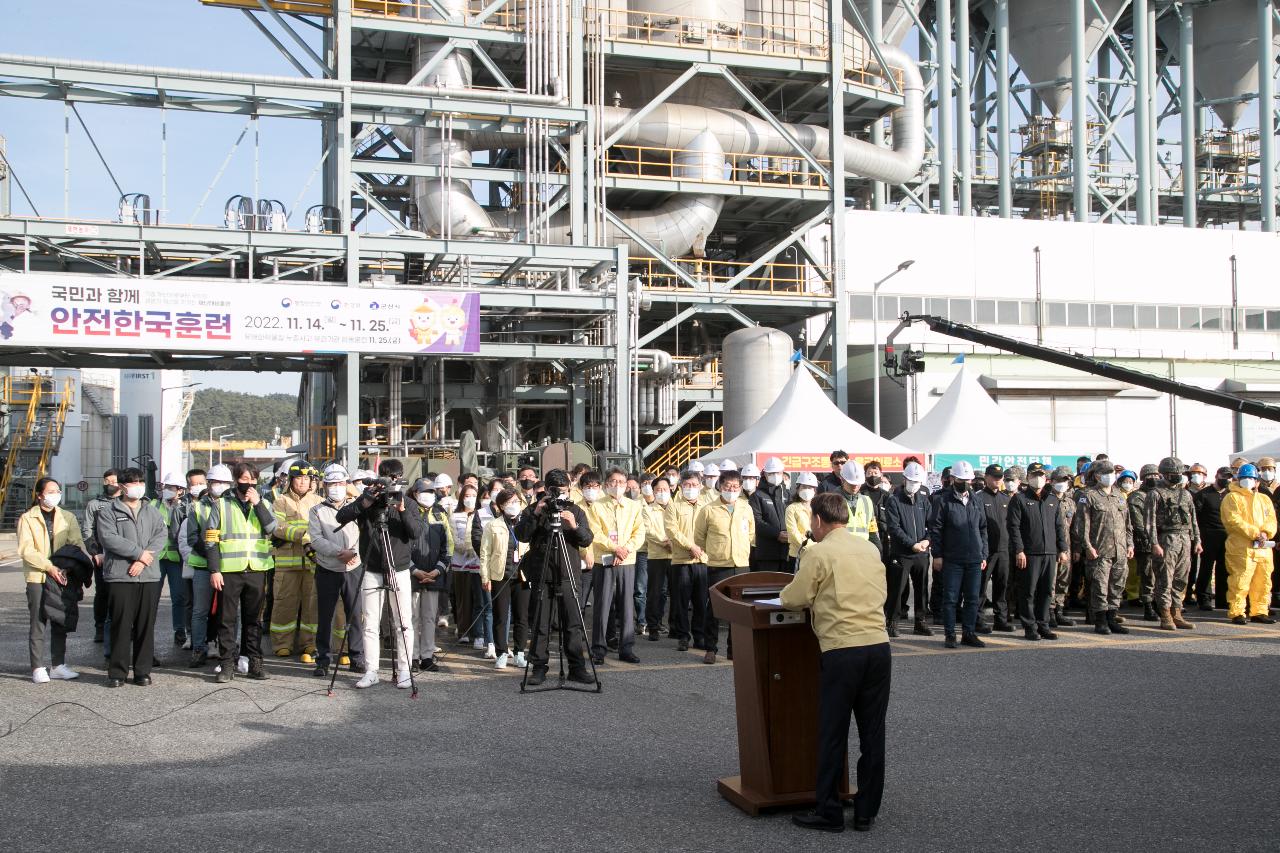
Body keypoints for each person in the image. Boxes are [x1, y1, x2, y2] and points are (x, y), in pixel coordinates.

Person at [782, 493, 890, 834]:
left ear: (817, 520)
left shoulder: (819, 552)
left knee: (832, 732)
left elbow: (795, 597)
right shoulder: (870, 549)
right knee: (872, 734)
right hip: (878, 647)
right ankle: (865, 812)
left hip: (842, 650)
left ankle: (828, 810)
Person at [337, 460, 423, 689]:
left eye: (394, 477)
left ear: (401, 478)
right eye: (386, 476)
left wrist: (402, 509)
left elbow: (415, 532)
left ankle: (405, 670)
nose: (390, 482)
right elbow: (342, 516)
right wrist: (366, 500)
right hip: (372, 568)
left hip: (400, 568)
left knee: (403, 622)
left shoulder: (409, 503)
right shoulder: (369, 502)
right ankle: (371, 670)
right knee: (370, 623)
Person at [513, 469, 594, 686]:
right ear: (547, 490)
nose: (560, 496)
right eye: (556, 491)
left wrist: (574, 526)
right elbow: (521, 535)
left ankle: (577, 667)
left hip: (569, 572)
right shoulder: (535, 509)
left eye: (564, 491)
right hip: (542, 573)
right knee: (541, 623)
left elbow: (587, 539)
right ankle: (539, 668)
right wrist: (537, 513)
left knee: (573, 623)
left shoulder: (575, 510)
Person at [204, 461, 277, 683]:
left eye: (253, 480)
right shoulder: (221, 505)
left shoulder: (263, 503)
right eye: (244, 479)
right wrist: (214, 569)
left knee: (253, 619)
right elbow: (210, 540)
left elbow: (272, 529)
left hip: (256, 568)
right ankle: (227, 663)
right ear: (236, 480)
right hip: (229, 570)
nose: (249, 483)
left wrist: (258, 505)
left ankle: (254, 661)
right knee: (227, 620)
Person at [96, 468, 169, 687]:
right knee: (121, 624)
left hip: (148, 575)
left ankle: (142, 671)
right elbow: (108, 538)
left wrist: (143, 559)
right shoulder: (109, 510)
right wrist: (138, 554)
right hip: (120, 575)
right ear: (122, 486)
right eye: (132, 482)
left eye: (140, 481)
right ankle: (117, 673)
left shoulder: (152, 510)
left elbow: (161, 535)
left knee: (145, 625)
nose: (137, 485)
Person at [19, 477, 91, 683]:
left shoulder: (67, 516)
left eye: (58, 490)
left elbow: (76, 544)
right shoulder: (27, 518)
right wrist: (49, 567)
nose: (55, 494)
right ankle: (37, 667)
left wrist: (67, 567)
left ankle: (58, 665)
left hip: (63, 575)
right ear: (40, 494)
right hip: (37, 576)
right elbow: (26, 550)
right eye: (51, 491)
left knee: (60, 619)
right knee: (38, 620)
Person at [307, 465, 365, 679]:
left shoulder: (357, 508)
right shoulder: (317, 510)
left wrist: (353, 553)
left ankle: (357, 657)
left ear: (346, 485)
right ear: (325, 485)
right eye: (332, 484)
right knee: (325, 616)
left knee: (356, 615)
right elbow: (316, 539)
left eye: (340, 483)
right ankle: (323, 659)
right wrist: (338, 552)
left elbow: (364, 534)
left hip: (353, 568)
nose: (336, 488)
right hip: (327, 568)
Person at [692, 469, 754, 664]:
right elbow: (699, 537)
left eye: (736, 487)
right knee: (715, 609)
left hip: (741, 564)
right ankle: (710, 648)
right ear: (720, 486)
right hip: (718, 565)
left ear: (740, 487)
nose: (732, 490)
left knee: (738, 610)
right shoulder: (708, 509)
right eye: (728, 486)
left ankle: (733, 649)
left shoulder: (746, 507)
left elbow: (751, 534)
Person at [583, 468, 644, 665]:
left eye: (621, 482)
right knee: (602, 605)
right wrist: (615, 548)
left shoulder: (634, 506)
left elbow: (639, 532)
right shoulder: (597, 506)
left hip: (627, 560)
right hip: (605, 561)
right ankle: (598, 649)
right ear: (606, 484)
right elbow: (595, 533)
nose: (617, 485)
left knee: (627, 606)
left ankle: (626, 647)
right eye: (613, 481)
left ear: (626, 485)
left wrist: (625, 549)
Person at [927, 460, 988, 648]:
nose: (966, 483)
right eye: (962, 479)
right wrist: (937, 555)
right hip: (952, 558)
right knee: (951, 598)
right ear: (953, 479)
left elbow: (983, 528)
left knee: (972, 599)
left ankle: (968, 633)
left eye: (968, 479)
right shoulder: (942, 500)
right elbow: (935, 528)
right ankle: (950, 634)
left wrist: (984, 553)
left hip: (974, 558)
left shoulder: (976, 500)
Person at [1007, 463, 1069, 641]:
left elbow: (1059, 527)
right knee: (1028, 592)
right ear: (1028, 478)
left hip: (1049, 553)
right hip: (1029, 554)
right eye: (1034, 475)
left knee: (1047, 592)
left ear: (1046, 478)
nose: (1038, 478)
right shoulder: (1019, 499)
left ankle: (1043, 625)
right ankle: (1030, 627)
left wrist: (1062, 548)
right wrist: (1019, 550)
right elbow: (1014, 527)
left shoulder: (1052, 500)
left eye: (1041, 475)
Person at [269, 462, 322, 663]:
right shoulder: (280, 501)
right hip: (286, 563)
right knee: (284, 603)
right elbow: (277, 528)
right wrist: (305, 534)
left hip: (312, 563)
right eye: (299, 478)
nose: (302, 482)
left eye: (307, 478)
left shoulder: (319, 501)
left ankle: (310, 643)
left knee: (312, 604)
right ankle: (282, 644)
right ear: (291, 480)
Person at [1073, 463, 1134, 636]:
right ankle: (1100, 621)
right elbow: (1081, 525)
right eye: (1106, 473)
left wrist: (1130, 544)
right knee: (1099, 587)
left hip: (1120, 550)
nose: (1110, 476)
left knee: (1117, 585)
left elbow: (1127, 523)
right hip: (1099, 551)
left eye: (1112, 473)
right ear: (1097, 476)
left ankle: (1112, 619)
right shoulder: (1089, 495)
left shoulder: (1119, 496)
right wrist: (1088, 547)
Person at [180, 465, 229, 669]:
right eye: (215, 483)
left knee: (227, 612)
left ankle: (226, 649)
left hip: (228, 567)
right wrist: (211, 556)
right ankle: (198, 649)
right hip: (202, 566)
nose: (219, 486)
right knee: (200, 611)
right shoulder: (198, 507)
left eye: (223, 483)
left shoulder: (232, 506)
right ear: (208, 484)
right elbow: (192, 537)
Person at [1146, 457, 1201, 631]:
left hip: (1184, 539)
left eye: (1178, 474)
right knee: (1164, 579)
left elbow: (1193, 520)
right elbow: (1150, 522)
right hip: (1166, 539)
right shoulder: (1155, 494)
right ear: (1164, 474)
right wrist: (1154, 543)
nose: (1177, 477)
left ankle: (1177, 612)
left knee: (1180, 579)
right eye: (1173, 474)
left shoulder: (1185, 494)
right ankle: (1165, 615)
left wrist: (1197, 540)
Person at [1220, 463, 1277, 626]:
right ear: (1238, 479)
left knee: (1263, 580)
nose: (1248, 481)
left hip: (1263, 548)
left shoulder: (1264, 499)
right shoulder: (1232, 498)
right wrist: (1255, 533)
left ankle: (1259, 611)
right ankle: (1237, 612)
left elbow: (1271, 519)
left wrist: (1266, 532)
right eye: (1244, 478)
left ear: (1257, 481)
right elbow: (1233, 521)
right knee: (1240, 580)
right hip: (1241, 547)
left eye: (1251, 478)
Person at [479, 488, 529, 670]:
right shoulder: (493, 525)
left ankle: (520, 653)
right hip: (500, 575)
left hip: (523, 575)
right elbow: (484, 553)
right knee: (500, 616)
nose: (513, 505)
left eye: (516, 501)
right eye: (508, 503)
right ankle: (501, 653)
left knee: (522, 616)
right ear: (500, 506)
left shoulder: (526, 523)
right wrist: (485, 577)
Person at [883, 461, 932, 637]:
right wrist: (912, 543)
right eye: (912, 481)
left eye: (917, 482)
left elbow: (932, 525)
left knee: (922, 589)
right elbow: (894, 528)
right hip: (902, 553)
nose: (914, 484)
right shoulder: (894, 500)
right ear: (904, 479)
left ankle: (920, 621)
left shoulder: (924, 501)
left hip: (922, 553)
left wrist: (927, 541)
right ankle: (892, 622)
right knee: (897, 589)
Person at [664, 470, 707, 652]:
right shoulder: (673, 506)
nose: (690, 488)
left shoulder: (707, 505)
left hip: (703, 560)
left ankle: (699, 635)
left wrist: (702, 548)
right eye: (687, 485)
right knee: (681, 602)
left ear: (700, 486)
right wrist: (691, 546)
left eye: (694, 485)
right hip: (682, 561)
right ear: (681, 487)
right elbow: (672, 531)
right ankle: (683, 636)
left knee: (700, 601)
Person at [151, 471, 190, 649]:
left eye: (171, 488)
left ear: (180, 490)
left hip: (176, 559)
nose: (167, 490)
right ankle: (146, 628)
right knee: (151, 597)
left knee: (179, 597)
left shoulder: (185, 507)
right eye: (166, 487)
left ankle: (179, 629)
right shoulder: (152, 505)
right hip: (155, 557)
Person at [974, 464, 1013, 632]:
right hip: (986, 551)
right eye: (994, 477)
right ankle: (978, 620)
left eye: (1000, 477)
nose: (998, 480)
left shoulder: (1006, 499)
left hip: (1004, 550)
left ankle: (1001, 620)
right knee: (980, 587)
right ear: (986, 478)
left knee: (1002, 586)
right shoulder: (978, 498)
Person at [82, 468, 120, 645]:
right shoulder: (94, 504)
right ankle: (100, 627)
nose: (111, 484)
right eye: (107, 481)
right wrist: (95, 552)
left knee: (122, 593)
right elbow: (87, 531)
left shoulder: (128, 502)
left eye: (114, 481)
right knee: (103, 592)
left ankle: (123, 627)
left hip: (123, 556)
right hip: (102, 557)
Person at [1193, 466, 1232, 611]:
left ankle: (1222, 599)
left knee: (1224, 569)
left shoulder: (1230, 494)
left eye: (1229, 477)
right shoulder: (1204, 494)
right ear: (1216, 476)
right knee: (1206, 568)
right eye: (1223, 477)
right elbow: (1195, 517)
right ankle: (1204, 598)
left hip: (1226, 536)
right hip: (1208, 536)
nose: (1226, 480)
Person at [449, 482, 482, 646]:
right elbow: (454, 538)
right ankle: (463, 630)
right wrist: (468, 547)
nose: (470, 499)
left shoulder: (481, 515)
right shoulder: (454, 516)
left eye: (473, 496)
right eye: (467, 496)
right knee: (463, 598)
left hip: (478, 562)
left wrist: (477, 549)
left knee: (478, 599)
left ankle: (478, 632)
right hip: (460, 562)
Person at [642, 475, 673, 641]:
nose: (662, 493)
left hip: (677, 555)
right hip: (657, 555)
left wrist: (674, 543)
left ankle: (674, 626)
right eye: (658, 490)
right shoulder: (647, 509)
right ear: (653, 492)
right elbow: (648, 531)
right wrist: (666, 542)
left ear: (671, 490)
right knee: (655, 592)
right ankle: (653, 625)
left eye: (665, 490)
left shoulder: (676, 507)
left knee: (676, 592)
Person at [1128, 464, 1160, 621]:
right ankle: (1148, 606)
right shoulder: (1136, 497)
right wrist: (1152, 539)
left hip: (1162, 542)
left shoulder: (1159, 494)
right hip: (1145, 544)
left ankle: (1159, 604)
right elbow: (1139, 524)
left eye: (1156, 476)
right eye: (1150, 476)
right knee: (1148, 576)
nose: (1154, 479)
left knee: (1161, 576)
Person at [749, 457, 791, 572]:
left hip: (787, 551)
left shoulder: (787, 494)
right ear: (765, 474)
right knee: (768, 587)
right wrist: (777, 534)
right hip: (767, 553)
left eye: (778, 473)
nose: (775, 475)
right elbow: (756, 521)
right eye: (771, 473)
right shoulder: (757, 496)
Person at [1050, 466, 1078, 626]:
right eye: (1059, 480)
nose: (1063, 483)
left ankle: (1059, 610)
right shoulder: (1047, 500)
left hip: (1067, 548)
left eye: (1065, 481)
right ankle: (1050, 612)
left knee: (1063, 580)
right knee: (1051, 581)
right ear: (1052, 482)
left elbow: (1075, 527)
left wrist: (1077, 549)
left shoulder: (1070, 503)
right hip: (1051, 547)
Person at [834, 460, 882, 550]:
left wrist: (878, 550)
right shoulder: (832, 500)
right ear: (842, 479)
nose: (855, 486)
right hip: (841, 551)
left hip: (863, 550)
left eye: (858, 483)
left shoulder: (866, 501)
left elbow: (872, 531)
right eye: (851, 483)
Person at [1257, 456, 1280, 609]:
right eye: (1264, 469)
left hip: (1275, 530)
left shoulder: (1277, 487)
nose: (1267, 472)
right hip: (1264, 532)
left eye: (1269, 469)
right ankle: (1273, 596)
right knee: (1269, 568)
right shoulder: (1257, 489)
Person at [784, 472, 819, 573]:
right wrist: (811, 546)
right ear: (798, 488)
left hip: (817, 554)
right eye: (804, 487)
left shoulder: (819, 507)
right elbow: (793, 533)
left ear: (815, 490)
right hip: (798, 555)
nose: (807, 490)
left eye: (810, 487)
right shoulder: (792, 508)